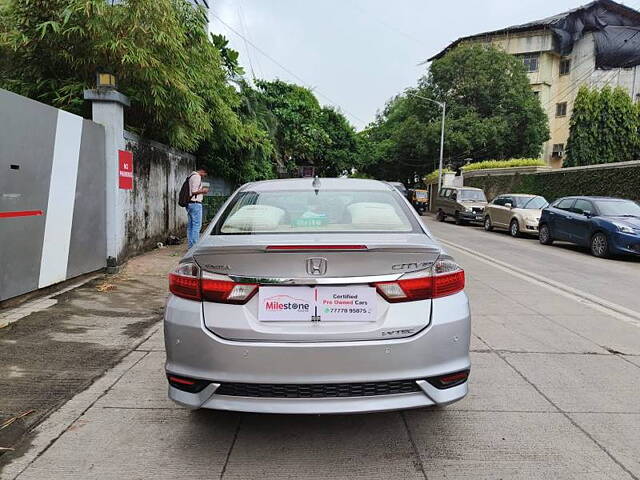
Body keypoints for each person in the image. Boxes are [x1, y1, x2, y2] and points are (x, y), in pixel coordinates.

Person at [186, 167, 208, 248]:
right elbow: (194, 191)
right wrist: (203, 191)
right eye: (205, 174)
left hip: (190, 203)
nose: (205, 176)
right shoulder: (197, 176)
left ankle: (191, 246)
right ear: (202, 171)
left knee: (191, 225)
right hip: (195, 204)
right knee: (196, 225)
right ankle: (195, 246)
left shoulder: (191, 176)